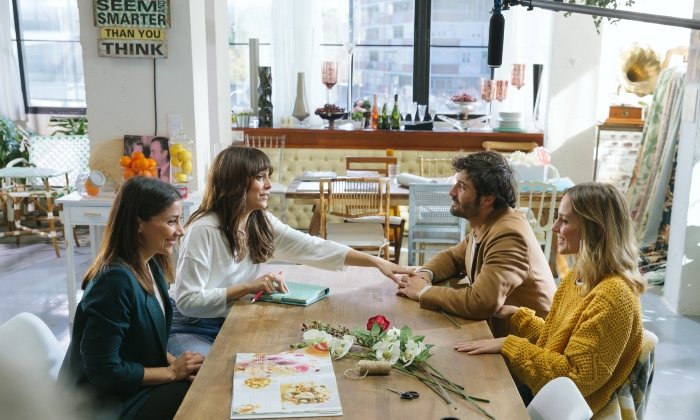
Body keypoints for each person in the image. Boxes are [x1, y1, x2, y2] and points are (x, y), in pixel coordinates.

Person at [168, 146, 415, 356]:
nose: (269, 184)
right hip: (190, 326)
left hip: (232, 319)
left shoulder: (258, 220)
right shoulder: (203, 230)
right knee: (214, 375)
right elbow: (189, 302)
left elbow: (312, 247)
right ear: (235, 183)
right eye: (260, 177)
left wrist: (375, 262)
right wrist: (249, 286)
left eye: (268, 176)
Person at [454, 182, 646, 415]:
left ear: (593, 229)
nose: (554, 227)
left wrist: (509, 345)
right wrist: (518, 317)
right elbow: (556, 342)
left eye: (564, 221)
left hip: (563, 410)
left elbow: (576, 379)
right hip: (547, 395)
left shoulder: (613, 296)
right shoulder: (576, 278)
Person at [58, 177, 205, 420]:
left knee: (202, 379)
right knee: (198, 397)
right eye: (171, 221)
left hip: (130, 387)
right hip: (103, 403)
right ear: (138, 224)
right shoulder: (114, 282)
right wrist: (170, 373)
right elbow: (104, 371)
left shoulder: (151, 265)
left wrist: (179, 366)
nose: (180, 230)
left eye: (179, 220)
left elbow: (147, 345)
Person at [397, 151, 556, 337]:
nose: (452, 192)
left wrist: (423, 292)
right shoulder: (488, 221)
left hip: (527, 347)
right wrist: (425, 274)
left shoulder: (509, 235)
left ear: (487, 199)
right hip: (499, 332)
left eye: (462, 187)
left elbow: (481, 302)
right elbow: (453, 257)